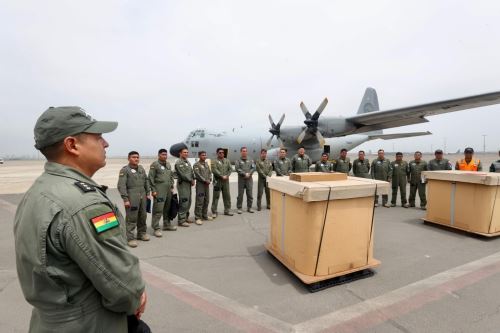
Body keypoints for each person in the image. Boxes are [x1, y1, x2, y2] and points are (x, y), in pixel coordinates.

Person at [14, 106, 147, 332]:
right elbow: (123, 288)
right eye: (98, 137)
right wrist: (136, 297)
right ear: (72, 145)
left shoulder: (39, 190)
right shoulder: (85, 204)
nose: (106, 144)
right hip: (90, 324)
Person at [118, 151, 151, 247]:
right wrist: (125, 199)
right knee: (131, 217)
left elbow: (146, 181)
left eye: (137, 157)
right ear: (129, 158)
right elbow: (121, 185)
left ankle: (142, 234)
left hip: (143, 195)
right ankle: (130, 238)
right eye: (133, 157)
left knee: (143, 215)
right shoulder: (125, 170)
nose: (136, 159)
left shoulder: (141, 168)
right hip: (132, 196)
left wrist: (148, 193)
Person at [148, 148, 176, 236]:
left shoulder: (168, 164)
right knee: (158, 209)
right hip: (159, 189)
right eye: (163, 154)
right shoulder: (155, 165)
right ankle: (156, 228)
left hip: (168, 189)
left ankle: (166, 224)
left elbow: (171, 176)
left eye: (166, 154)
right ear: (159, 155)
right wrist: (153, 190)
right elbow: (151, 178)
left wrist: (172, 186)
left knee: (167, 208)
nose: (165, 156)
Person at [175, 148, 195, 226]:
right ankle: (181, 220)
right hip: (183, 184)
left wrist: (193, 179)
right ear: (180, 153)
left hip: (188, 184)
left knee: (189, 201)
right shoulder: (179, 163)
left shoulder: (187, 162)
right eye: (184, 152)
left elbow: (191, 171)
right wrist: (191, 180)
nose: (186, 153)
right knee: (184, 201)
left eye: (187, 152)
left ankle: (186, 217)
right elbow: (183, 174)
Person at [211, 148, 234, 217]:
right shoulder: (214, 161)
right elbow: (214, 170)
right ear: (217, 153)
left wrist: (227, 175)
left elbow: (230, 169)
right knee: (216, 197)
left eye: (223, 152)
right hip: (217, 181)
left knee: (227, 196)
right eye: (220, 152)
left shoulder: (227, 160)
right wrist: (221, 176)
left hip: (225, 181)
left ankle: (227, 210)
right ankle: (214, 212)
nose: (221, 154)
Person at [193, 151, 213, 224]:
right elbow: (198, 175)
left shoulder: (206, 164)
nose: (204, 156)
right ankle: (198, 217)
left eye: (205, 155)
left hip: (206, 185)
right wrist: (205, 180)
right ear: (199, 156)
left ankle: (204, 215)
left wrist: (210, 179)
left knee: (206, 200)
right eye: (202, 155)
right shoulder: (196, 165)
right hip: (201, 185)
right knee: (200, 201)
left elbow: (210, 173)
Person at [235, 147, 256, 214]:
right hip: (241, 180)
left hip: (249, 179)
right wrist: (244, 174)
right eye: (243, 151)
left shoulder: (250, 159)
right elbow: (237, 168)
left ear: (247, 152)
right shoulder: (238, 160)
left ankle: (249, 207)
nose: (244, 152)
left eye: (245, 151)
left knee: (249, 194)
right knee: (240, 194)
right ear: (241, 152)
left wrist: (249, 173)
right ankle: (239, 208)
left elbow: (253, 168)